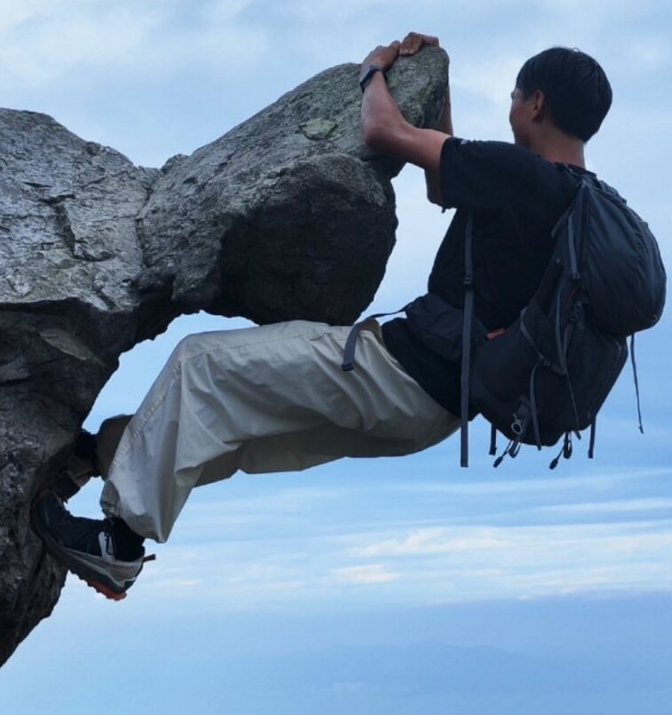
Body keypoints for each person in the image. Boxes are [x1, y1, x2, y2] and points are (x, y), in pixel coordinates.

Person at [30, 35, 615, 599]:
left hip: (398, 373)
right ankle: (91, 458)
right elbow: (443, 186)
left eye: (515, 95)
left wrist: (373, 70)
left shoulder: (520, 174)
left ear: (536, 103)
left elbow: (383, 131)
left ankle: (119, 543)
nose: (511, 105)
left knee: (201, 364)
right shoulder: (579, 205)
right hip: (438, 412)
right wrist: (437, 82)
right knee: (238, 428)